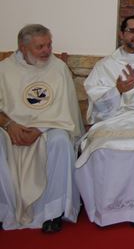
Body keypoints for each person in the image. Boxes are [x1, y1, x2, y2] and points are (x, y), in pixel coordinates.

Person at [75, 15, 134, 229]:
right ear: (121, 34)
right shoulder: (104, 65)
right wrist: (117, 90)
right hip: (110, 120)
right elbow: (96, 104)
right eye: (132, 31)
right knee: (100, 147)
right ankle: (106, 210)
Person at [0, 24, 84, 232]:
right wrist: (9, 125)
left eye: (49, 45)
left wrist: (40, 129)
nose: (47, 51)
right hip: (12, 129)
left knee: (61, 141)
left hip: (49, 128)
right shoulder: (4, 70)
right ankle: (4, 210)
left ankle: (53, 212)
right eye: (40, 47)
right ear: (22, 47)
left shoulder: (58, 68)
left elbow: (66, 110)